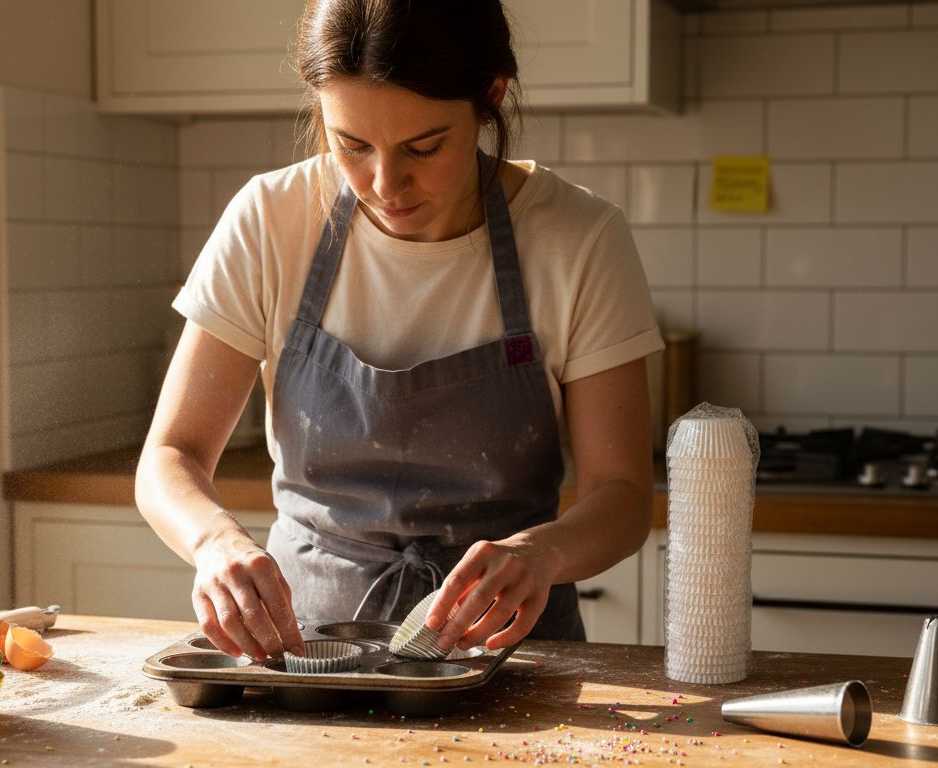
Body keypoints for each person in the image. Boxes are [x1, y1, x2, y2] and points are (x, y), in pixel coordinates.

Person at [135, 0, 662, 662]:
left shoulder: (579, 239)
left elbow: (623, 496)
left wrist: (542, 551)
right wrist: (214, 543)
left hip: (510, 660)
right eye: (350, 144)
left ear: (490, 95)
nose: (385, 184)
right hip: (307, 653)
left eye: (424, 146)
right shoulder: (270, 220)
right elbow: (171, 455)